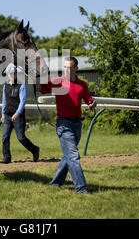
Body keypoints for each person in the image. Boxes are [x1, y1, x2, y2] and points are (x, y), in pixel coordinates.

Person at [37, 57, 96, 194]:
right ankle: (81, 188)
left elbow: (88, 99)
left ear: (76, 69)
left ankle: (56, 182)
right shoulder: (58, 82)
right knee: (73, 156)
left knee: (68, 156)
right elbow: (40, 88)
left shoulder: (82, 85)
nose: (66, 70)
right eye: (64, 67)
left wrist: (91, 103)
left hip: (77, 124)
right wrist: (36, 77)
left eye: (69, 67)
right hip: (63, 124)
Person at [0, 63, 39, 164]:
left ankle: (34, 149)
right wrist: (3, 114)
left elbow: (23, 101)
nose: (11, 75)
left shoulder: (21, 86)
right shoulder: (5, 86)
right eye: (10, 73)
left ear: (16, 74)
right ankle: (7, 157)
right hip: (7, 115)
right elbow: (4, 101)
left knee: (21, 138)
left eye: (13, 73)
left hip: (18, 117)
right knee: (5, 137)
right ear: (8, 74)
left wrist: (17, 113)